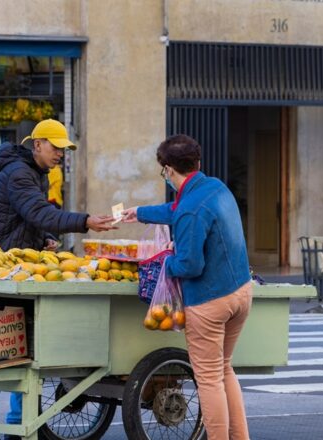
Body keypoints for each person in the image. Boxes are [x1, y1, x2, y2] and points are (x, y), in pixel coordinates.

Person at [0, 119, 117, 440]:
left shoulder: (36, 173)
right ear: (37, 144)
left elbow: (30, 218)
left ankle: (14, 425)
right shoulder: (19, 173)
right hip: (4, 270)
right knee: (2, 351)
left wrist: (45, 238)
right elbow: (37, 212)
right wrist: (85, 222)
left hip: (22, 268)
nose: (60, 155)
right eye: (55, 148)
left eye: (63, 150)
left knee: (20, 351)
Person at [121, 134, 252, 440]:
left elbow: (191, 265)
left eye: (163, 171)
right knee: (224, 369)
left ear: (167, 169)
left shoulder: (191, 209)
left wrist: (167, 262)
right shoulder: (214, 188)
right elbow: (176, 210)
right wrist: (139, 213)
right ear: (198, 163)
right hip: (241, 293)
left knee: (208, 379)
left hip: (210, 300)